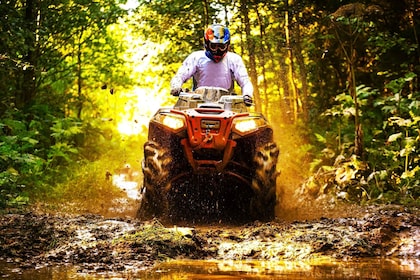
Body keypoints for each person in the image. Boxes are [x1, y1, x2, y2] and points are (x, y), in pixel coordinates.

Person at [170, 24, 254, 106]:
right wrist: (176, 87)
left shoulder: (234, 59)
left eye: (221, 46)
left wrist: (247, 95)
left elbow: (245, 81)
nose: (218, 50)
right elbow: (180, 75)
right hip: (196, 103)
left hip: (227, 106)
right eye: (214, 46)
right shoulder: (196, 57)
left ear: (227, 45)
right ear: (207, 44)